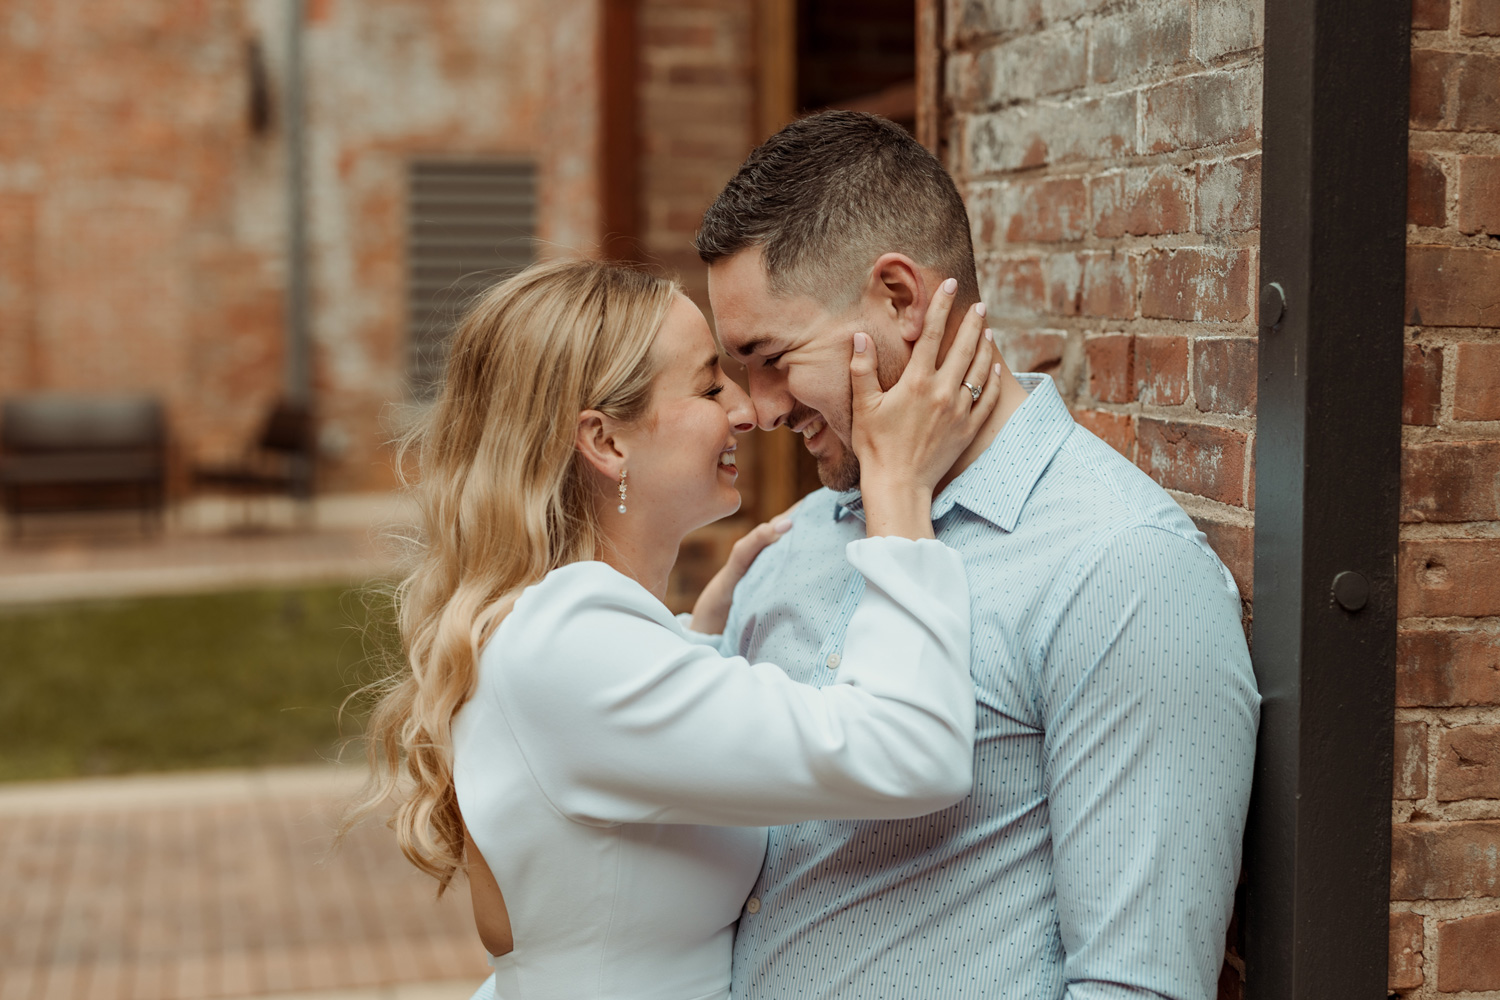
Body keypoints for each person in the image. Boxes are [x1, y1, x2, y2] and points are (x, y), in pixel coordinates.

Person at [695, 110, 1261, 1000]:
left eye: (771, 358)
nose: (759, 410)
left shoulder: (1122, 572)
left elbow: (1135, 987)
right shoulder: (795, 541)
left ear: (899, 298)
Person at [347, 256, 1005, 1000]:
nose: (748, 411)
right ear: (606, 443)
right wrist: (899, 494)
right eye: (708, 384)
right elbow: (909, 750)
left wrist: (694, 639)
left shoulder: (557, 630)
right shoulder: (571, 642)